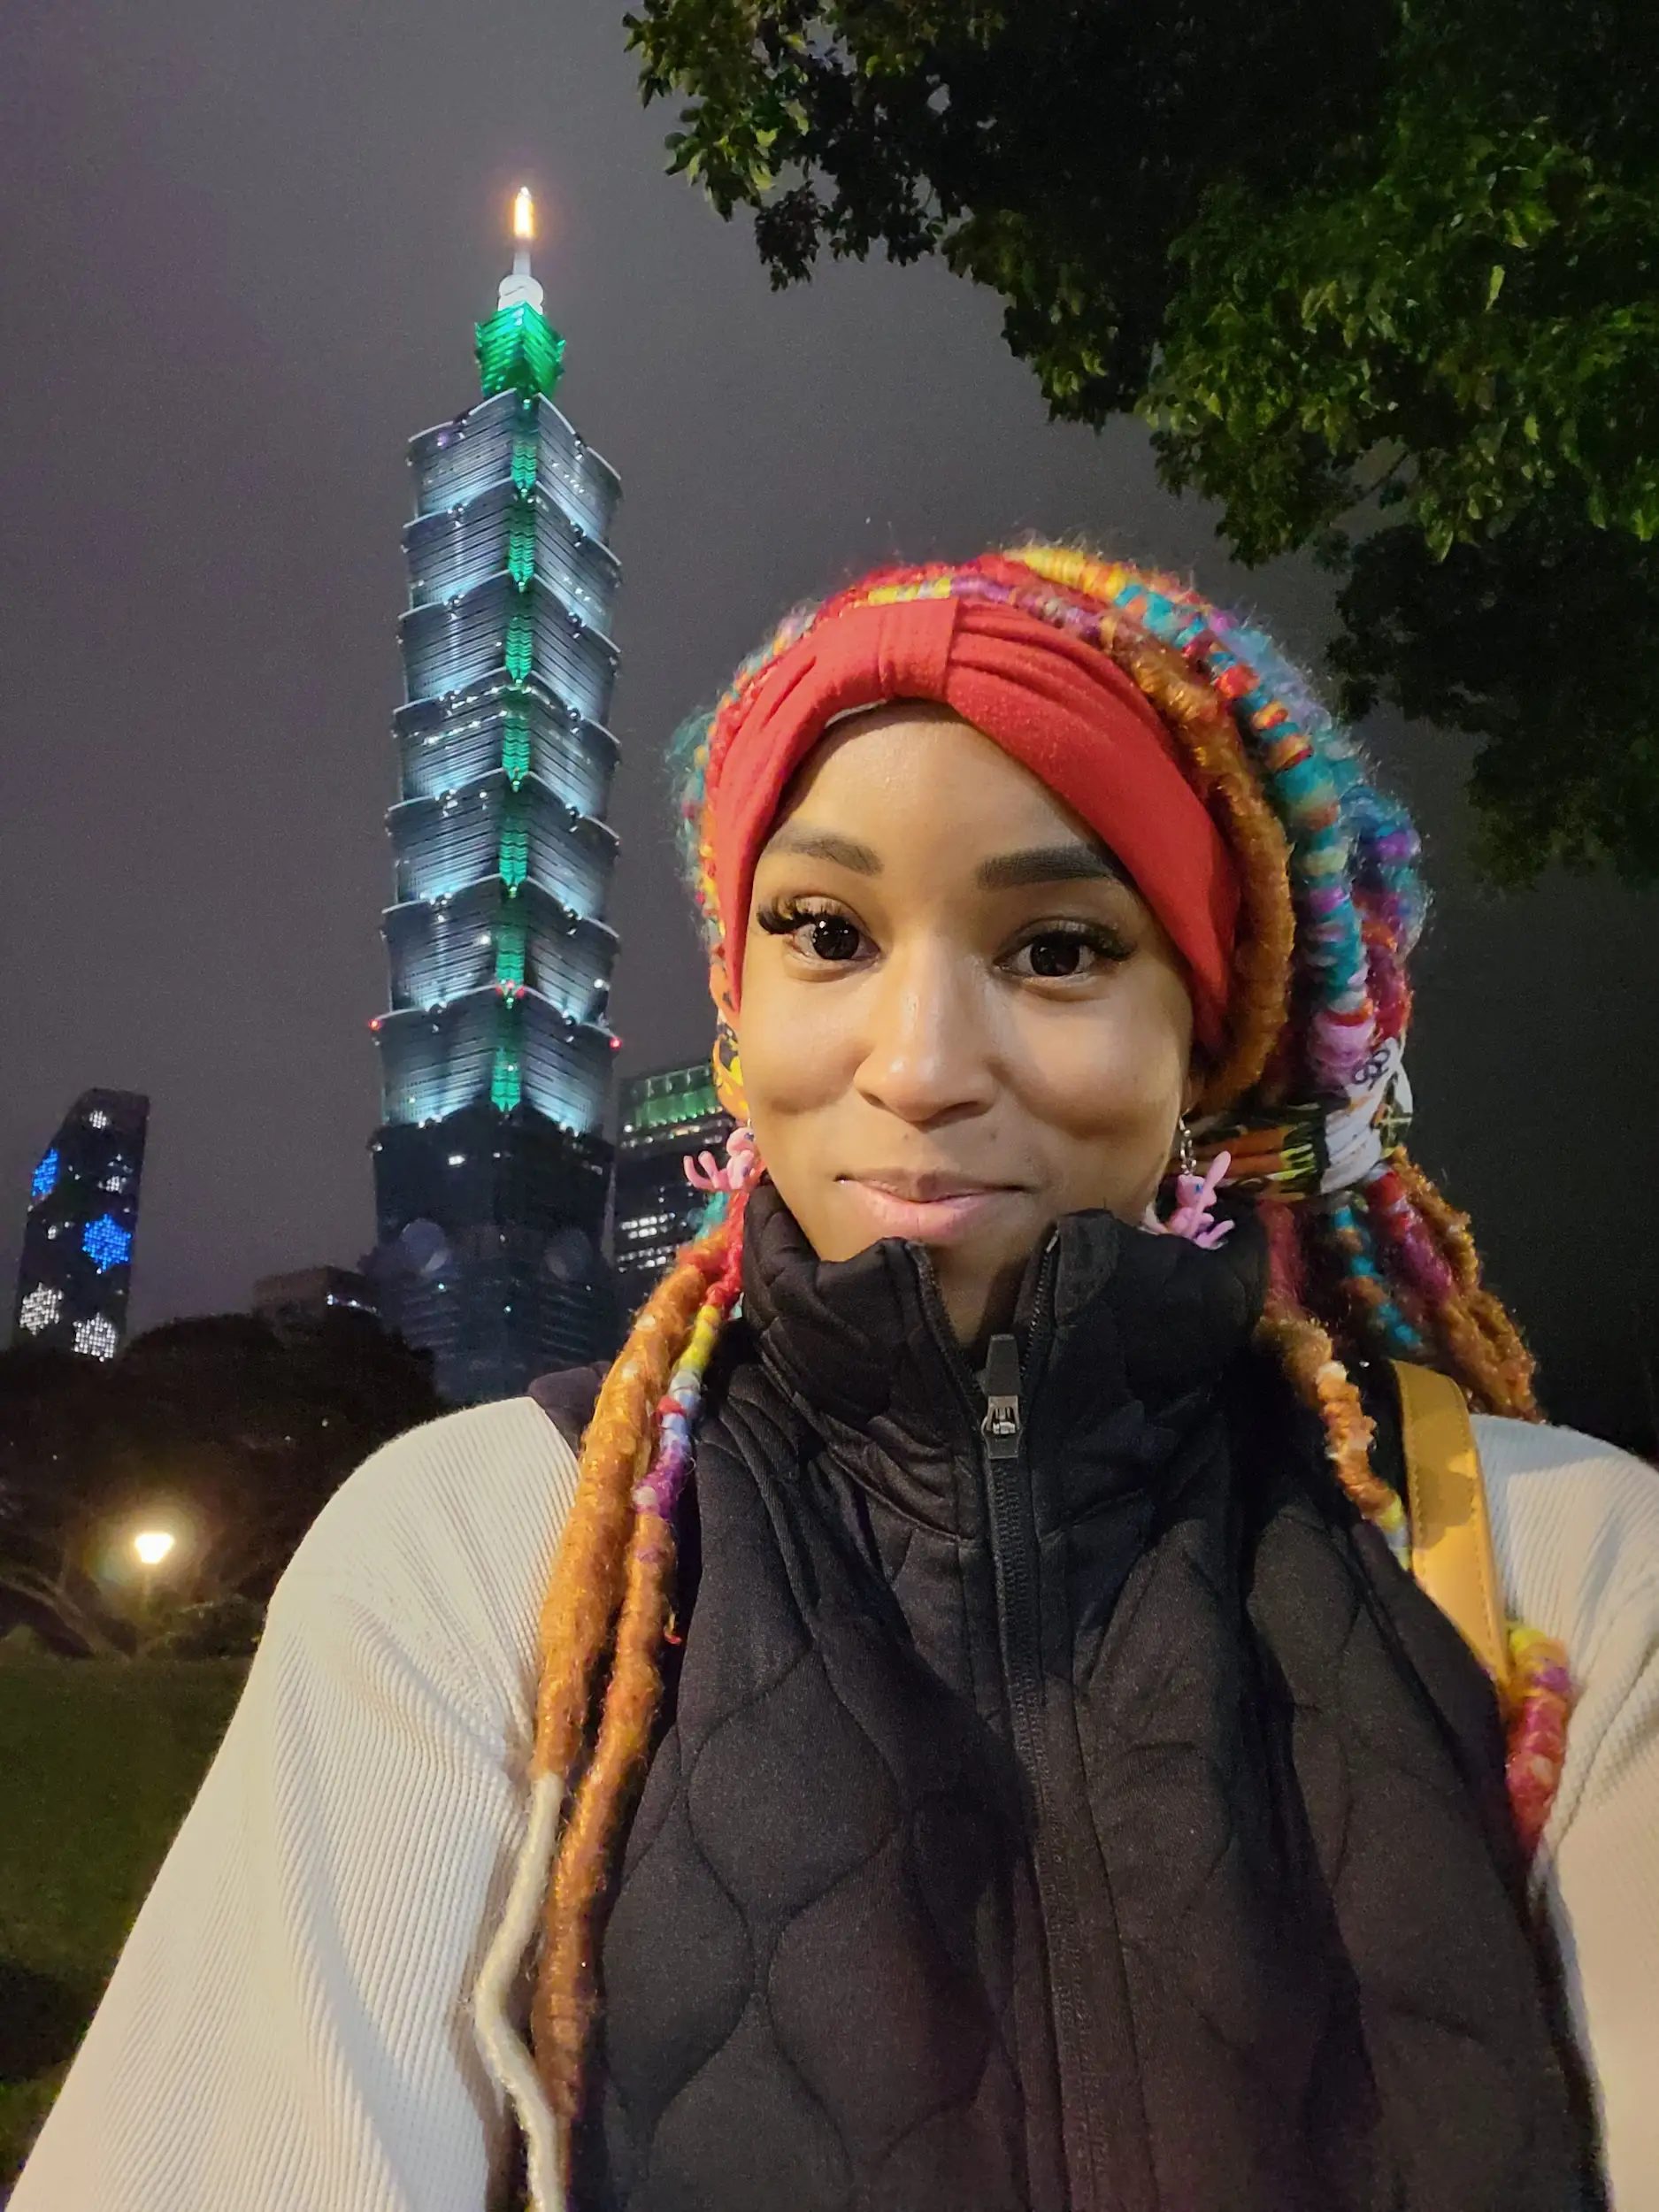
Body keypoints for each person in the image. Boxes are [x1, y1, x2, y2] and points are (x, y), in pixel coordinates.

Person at [14, 549, 1659, 2212]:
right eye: (824, 930)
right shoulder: (473, 1555)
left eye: (1061, 947)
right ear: (736, 1010)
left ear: (1207, 1041)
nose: (922, 1064)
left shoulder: (1555, 1574)